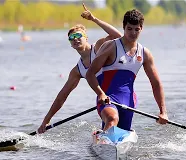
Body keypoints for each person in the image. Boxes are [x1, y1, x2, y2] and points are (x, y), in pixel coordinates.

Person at [37, 3, 122, 134]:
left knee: (115, 124)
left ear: (86, 38)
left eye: (78, 36)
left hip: (121, 96)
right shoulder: (77, 70)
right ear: (70, 44)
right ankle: (105, 138)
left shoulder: (99, 47)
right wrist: (46, 120)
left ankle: (104, 134)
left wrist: (94, 19)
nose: (75, 39)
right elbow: (62, 96)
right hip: (103, 99)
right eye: (71, 38)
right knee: (111, 119)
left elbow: (118, 36)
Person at [86, 9, 169, 131]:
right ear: (124, 27)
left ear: (141, 29)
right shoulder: (111, 47)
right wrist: (100, 94)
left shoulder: (144, 53)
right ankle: (105, 142)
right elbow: (90, 74)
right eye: (129, 28)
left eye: (137, 29)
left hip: (129, 101)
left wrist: (163, 112)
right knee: (112, 118)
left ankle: (103, 136)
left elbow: (156, 84)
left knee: (120, 129)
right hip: (107, 98)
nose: (133, 33)